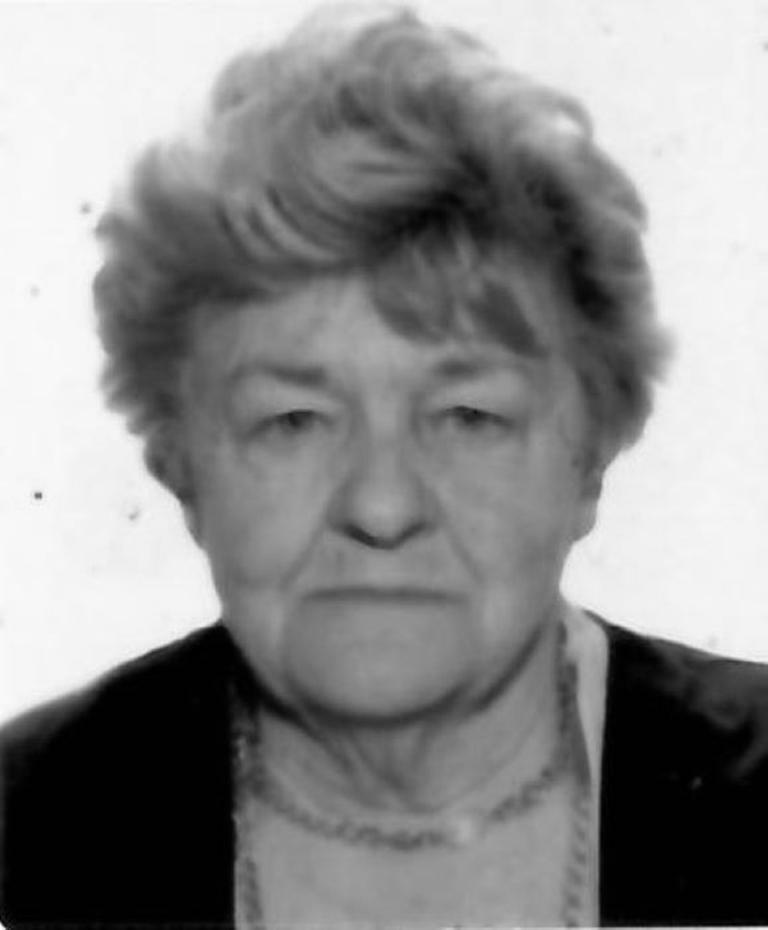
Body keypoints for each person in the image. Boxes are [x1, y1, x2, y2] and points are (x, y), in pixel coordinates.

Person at [2, 6, 767, 928]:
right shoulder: (25, 819)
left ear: (592, 459)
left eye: (469, 416)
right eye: (293, 420)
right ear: (180, 466)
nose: (382, 505)